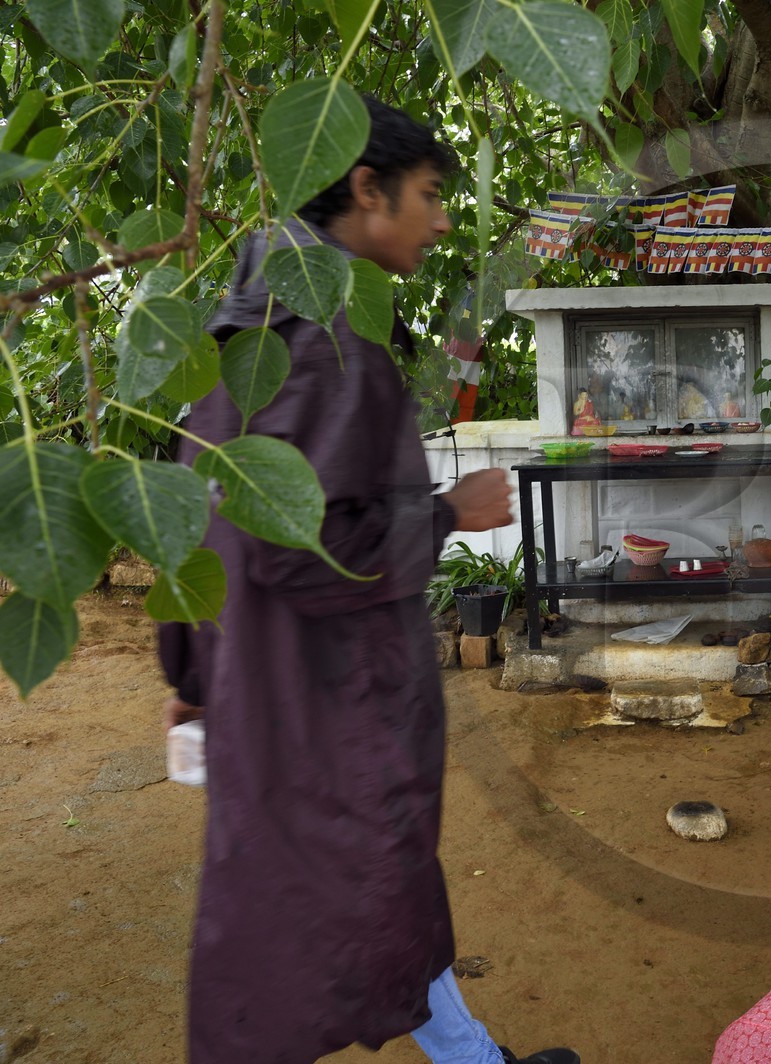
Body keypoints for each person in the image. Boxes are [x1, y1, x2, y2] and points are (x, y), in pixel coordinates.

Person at [157, 97, 577, 1064]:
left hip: (265, 693)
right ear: (366, 189)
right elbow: (296, 544)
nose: (441, 220)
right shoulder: (326, 346)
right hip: (327, 709)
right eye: (429, 195)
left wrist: (191, 678)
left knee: (360, 903)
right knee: (345, 906)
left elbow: (193, 527)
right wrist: (448, 513)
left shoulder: (236, 341)